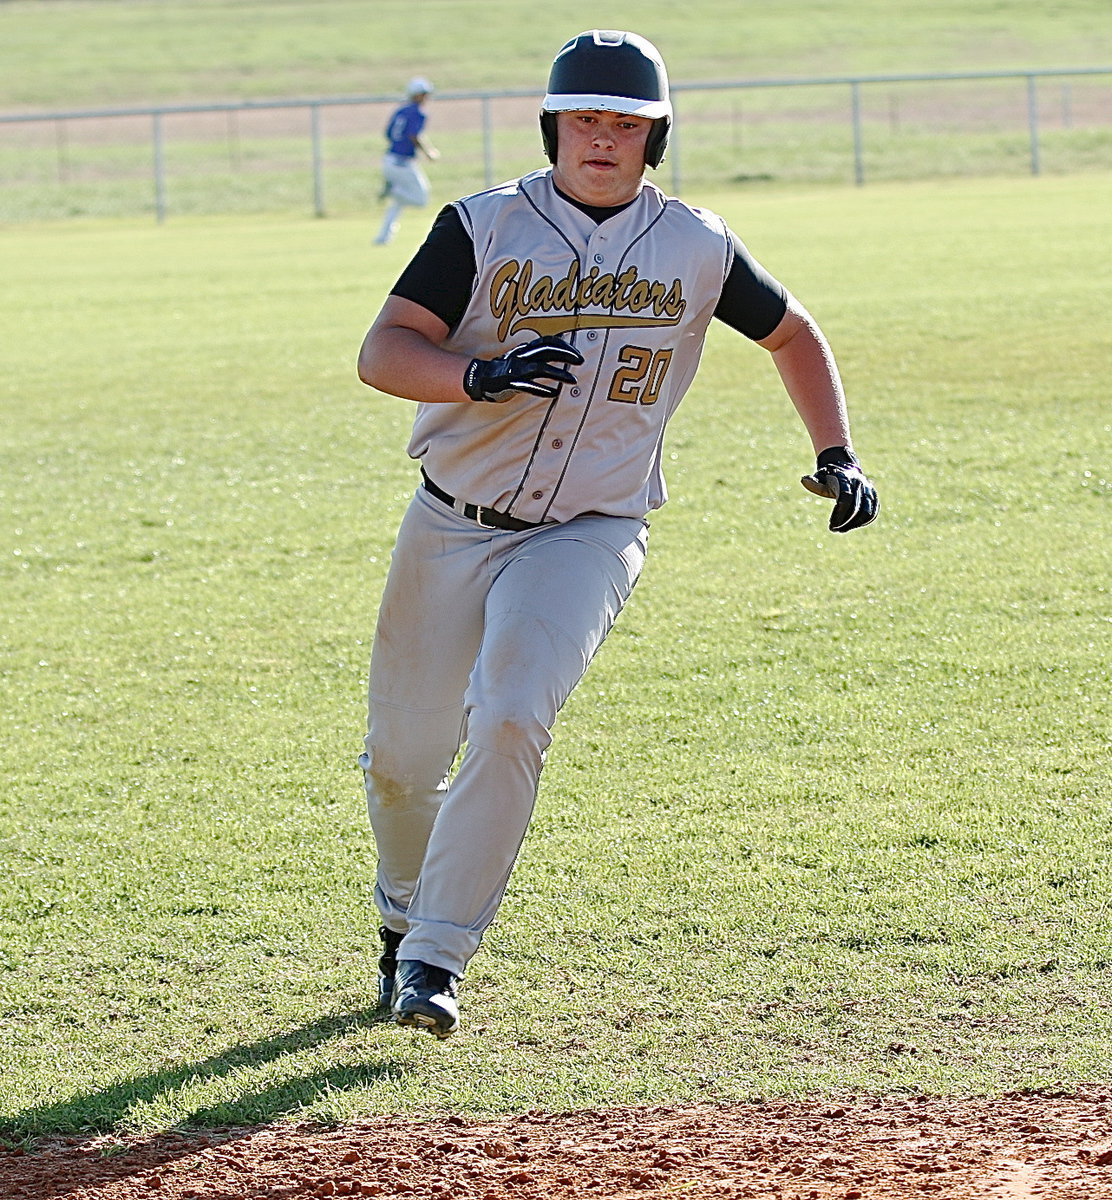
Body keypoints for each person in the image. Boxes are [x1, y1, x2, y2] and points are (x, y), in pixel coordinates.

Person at [356, 29, 878, 1039]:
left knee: (510, 713)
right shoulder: (482, 227)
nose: (601, 138)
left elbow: (791, 333)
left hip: (588, 531)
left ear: (655, 137)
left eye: (624, 123)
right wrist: (475, 376)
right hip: (449, 523)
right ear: (554, 127)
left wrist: (838, 451)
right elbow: (384, 351)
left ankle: (433, 958)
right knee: (401, 757)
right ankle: (398, 918)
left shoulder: (694, 244)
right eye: (584, 118)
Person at [374, 76, 439, 245]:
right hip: (402, 162)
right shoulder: (417, 112)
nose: (426, 98)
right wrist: (429, 152)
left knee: (398, 203)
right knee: (421, 199)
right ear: (415, 95)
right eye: (423, 94)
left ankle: (383, 237)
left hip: (389, 159)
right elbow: (413, 135)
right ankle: (393, 190)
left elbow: (388, 134)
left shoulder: (400, 110)